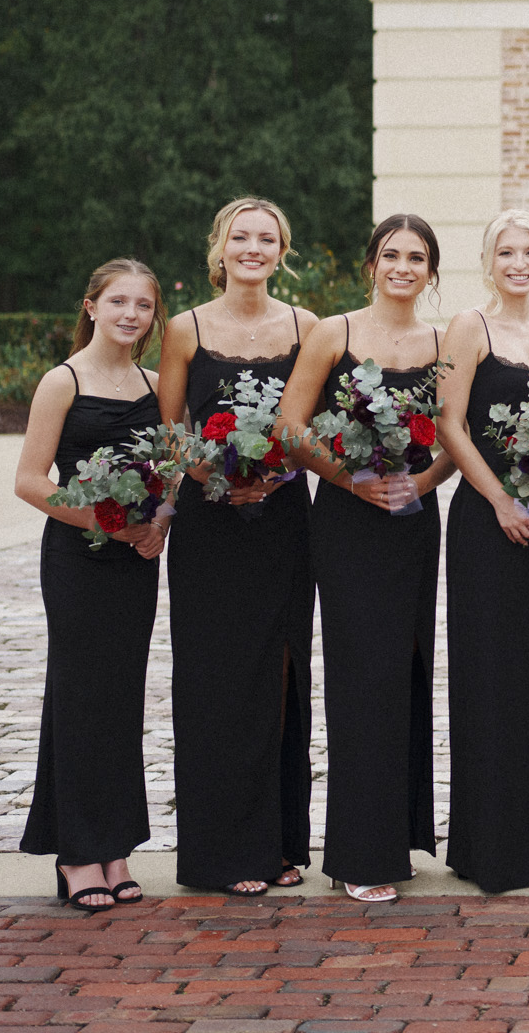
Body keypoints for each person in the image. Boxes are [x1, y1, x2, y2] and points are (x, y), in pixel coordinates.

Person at [276, 214, 456, 903]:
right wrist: (352, 479)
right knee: (360, 678)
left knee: (406, 672)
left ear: (432, 273)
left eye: (417, 257)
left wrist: (422, 482)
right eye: (391, 255)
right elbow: (292, 428)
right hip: (348, 522)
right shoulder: (336, 333)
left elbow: (454, 436)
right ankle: (358, 851)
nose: (403, 266)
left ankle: (398, 838)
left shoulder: (445, 342)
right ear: (371, 264)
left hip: (413, 522)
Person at [155, 199, 319, 896]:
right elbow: (170, 430)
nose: (253, 248)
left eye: (267, 238)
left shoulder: (307, 327)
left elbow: (314, 426)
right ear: (219, 248)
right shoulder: (185, 329)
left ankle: (278, 844)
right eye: (240, 237)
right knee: (214, 682)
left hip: (282, 522)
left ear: (283, 250)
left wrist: (275, 472)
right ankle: (219, 853)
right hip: (209, 527)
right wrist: (214, 475)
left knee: (278, 677)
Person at [433, 210, 529, 893]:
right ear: (488, 262)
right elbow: (450, 423)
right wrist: (498, 500)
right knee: (484, 677)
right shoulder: (471, 327)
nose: (518, 263)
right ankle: (481, 846)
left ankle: (525, 842)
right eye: (505, 252)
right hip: (483, 522)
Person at [14, 257, 169, 913]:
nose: (130, 314)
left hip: (137, 562)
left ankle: (116, 848)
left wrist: (158, 522)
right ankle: (77, 855)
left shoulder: (159, 385)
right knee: (79, 697)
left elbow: (170, 469)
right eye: (118, 302)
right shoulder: (63, 380)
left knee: (121, 701)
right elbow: (29, 479)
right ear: (92, 307)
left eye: (143, 305)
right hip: (78, 559)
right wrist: (106, 518)